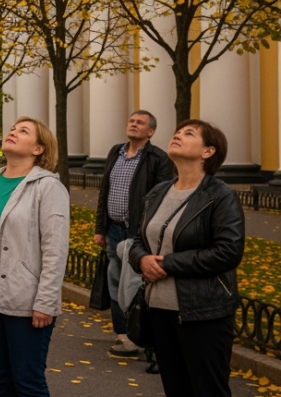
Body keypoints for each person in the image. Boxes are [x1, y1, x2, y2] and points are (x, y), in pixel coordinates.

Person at [0, 117, 70, 397]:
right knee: (2, 379)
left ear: (39, 149)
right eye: (13, 129)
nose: (13, 132)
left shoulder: (48, 188)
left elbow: (55, 250)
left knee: (27, 382)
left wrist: (46, 301)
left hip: (25, 302)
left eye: (23, 131)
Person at [129, 120, 243, 397]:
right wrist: (141, 260)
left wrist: (166, 264)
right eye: (177, 132)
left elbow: (228, 251)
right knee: (176, 389)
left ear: (208, 152)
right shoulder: (158, 192)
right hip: (158, 310)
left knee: (207, 390)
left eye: (188, 134)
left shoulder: (219, 195)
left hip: (202, 313)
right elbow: (136, 240)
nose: (177, 135)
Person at [93, 110, 173, 359]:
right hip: (113, 229)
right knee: (115, 281)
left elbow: (161, 199)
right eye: (131, 121)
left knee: (134, 285)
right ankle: (124, 335)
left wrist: (146, 233)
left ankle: (141, 334)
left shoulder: (158, 158)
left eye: (140, 123)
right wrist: (100, 228)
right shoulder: (115, 152)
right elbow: (104, 191)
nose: (134, 124)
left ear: (151, 132)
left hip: (136, 233)